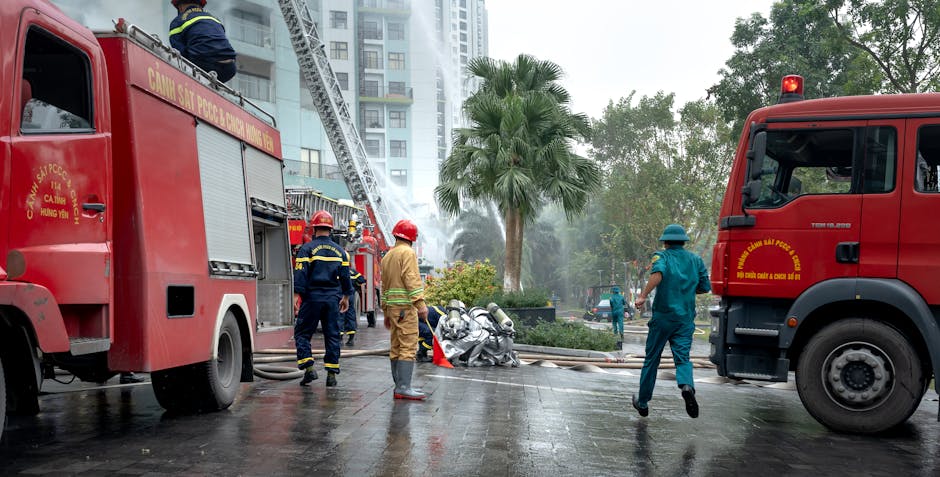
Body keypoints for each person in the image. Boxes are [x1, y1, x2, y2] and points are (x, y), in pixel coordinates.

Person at [632, 224, 711, 418]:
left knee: (652, 359)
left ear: (665, 242)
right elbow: (705, 287)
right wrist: (687, 290)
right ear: (684, 241)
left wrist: (642, 296)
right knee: (682, 358)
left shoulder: (662, 256)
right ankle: (686, 386)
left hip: (663, 317)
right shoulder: (696, 260)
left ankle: (642, 402)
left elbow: (657, 274)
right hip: (684, 319)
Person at [293, 210, 352, 387]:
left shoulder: (307, 248)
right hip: (333, 299)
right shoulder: (341, 251)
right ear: (330, 229)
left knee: (303, 333)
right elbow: (346, 277)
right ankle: (332, 374)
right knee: (333, 335)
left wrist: (296, 295)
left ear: (314, 228)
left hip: (312, 298)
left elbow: (300, 273)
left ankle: (309, 368)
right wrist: (346, 297)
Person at [380, 219, 428, 400]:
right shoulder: (407, 253)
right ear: (412, 238)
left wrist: (385, 311)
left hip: (392, 309)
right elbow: (411, 278)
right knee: (408, 345)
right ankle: (404, 387)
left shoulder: (388, 256)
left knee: (396, 346)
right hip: (405, 309)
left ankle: (399, 385)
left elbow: (384, 287)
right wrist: (420, 304)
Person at [168, 0, 237, 82]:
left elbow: (180, 55)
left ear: (180, 7)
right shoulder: (215, 19)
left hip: (205, 65)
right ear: (200, 6)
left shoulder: (178, 21)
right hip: (230, 68)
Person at [342, 267, 367, 346]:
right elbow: (362, 280)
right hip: (350, 296)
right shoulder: (352, 271)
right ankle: (351, 339)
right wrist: (355, 285)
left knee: (339, 316)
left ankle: (339, 339)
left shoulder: (337, 269)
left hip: (340, 295)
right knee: (350, 316)